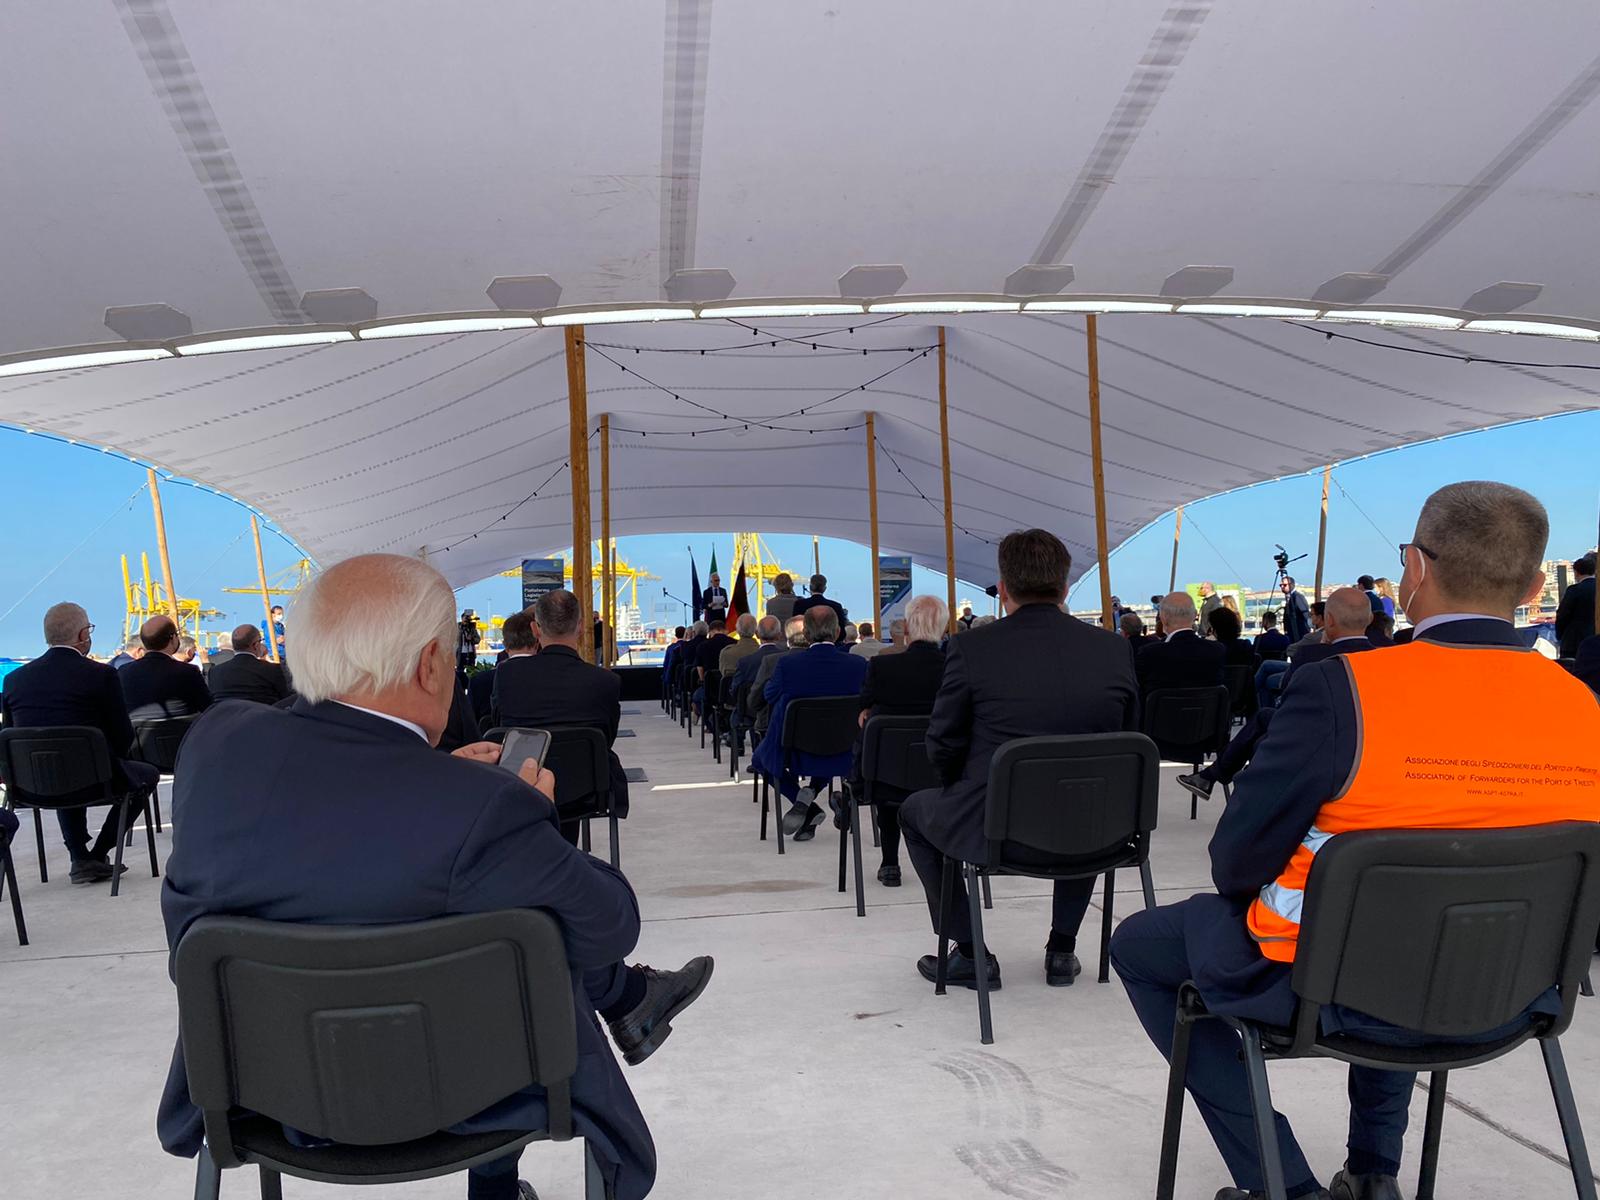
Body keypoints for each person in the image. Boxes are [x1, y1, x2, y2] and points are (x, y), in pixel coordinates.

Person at [155, 555, 714, 1200]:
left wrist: (434, 771)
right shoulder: (484, 810)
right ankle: (620, 1013)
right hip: (467, 1097)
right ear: (430, 665)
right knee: (527, 932)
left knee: (476, 907)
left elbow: (337, 811)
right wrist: (523, 811)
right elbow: (610, 924)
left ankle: (628, 1003)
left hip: (253, 1093)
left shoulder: (215, 743)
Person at [1112, 481, 1600, 1200]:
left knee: (1140, 945)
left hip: (1330, 990)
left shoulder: (1344, 689)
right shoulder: (1584, 706)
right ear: (1533, 588)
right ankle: (1373, 1175)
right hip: (1511, 990)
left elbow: (1236, 862)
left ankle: (1284, 1182)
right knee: (1401, 928)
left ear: (1415, 568)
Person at [900, 529, 1139, 990]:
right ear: (1065, 588)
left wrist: (955, 788)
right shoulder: (1114, 649)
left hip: (998, 830)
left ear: (1003, 588)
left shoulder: (971, 648)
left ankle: (970, 953)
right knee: (1087, 790)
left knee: (913, 813)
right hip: (1098, 828)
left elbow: (943, 741)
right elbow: (1128, 742)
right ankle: (1062, 950)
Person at [0, 603, 159, 884]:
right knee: (144, 775)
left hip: (30, 787)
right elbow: (123, 737)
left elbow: (9, 736)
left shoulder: (14, 681)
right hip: (95, 781)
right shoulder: (101, 675)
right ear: (83, 634)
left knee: (59, 764)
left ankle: (79, 856)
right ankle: (97, 854)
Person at [1179, 588, 1377, 804]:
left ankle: (1212, 776)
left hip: (1312, 733)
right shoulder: (1384, 654)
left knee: (1264, 719)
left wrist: (1322, 645)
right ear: (1370, 619)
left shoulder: (1311, 655)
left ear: (1328, 620)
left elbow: (1287, 692)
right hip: (1366, 732)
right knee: (1263, 720)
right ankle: (1211, 776)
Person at [493, 590, 631, 841]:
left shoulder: (507, 676)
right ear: (580, 627)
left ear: (535, 629)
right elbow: (606, 739)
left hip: (524, 784)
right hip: (588, 789)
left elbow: (500, 729)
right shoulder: (606, 681)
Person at [849, 595, 948, 886]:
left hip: (887, 776)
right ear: (943, 630)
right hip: (942, 774)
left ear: (905, 628)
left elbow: (864, 706)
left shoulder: (882, 667)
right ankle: (943, 860)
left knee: (886, 770)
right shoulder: (955, 669)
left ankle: (890, 863)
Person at [753, 606, 868, 841]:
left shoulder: (788, 666)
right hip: (846, 753)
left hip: (795, 752)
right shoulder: (858, 665)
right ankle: (812, 797)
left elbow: (769, 695)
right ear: (838, 632)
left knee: (760, 760)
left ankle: (805, 802)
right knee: (830, 740)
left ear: (805, 634)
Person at [119, 616, 214, 720]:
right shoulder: (188, 672)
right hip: (183, 730)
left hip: (137, 729)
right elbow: (208, 707)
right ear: (172, 638)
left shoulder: (124, 671)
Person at [1135, 592, 1226, 696]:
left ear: (1163, 617)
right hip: (1207, 707)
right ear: (1195, 615)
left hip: (1164, 706)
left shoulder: (1149, 653)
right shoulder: (1216, 650)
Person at [729, 616, 787, 746]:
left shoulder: (745, 662)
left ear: (757, 634)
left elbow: (735, 690)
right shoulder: (787, 659)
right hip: (782, 713)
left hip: (751, 713)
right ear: (779, 635)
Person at [745, 615, 804, 738]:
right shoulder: (829, 662)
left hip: (777, 730)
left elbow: (754, 701)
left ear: (786, 635)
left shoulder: (773, 662)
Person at [206, 624, 292, 706]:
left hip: (225, 715)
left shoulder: (214, 672)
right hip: (262, 715)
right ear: (255, 645)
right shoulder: (272, 670)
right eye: (260, 641)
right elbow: (286, 698)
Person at [1555, 551, 1596, 658]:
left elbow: (1563, 615)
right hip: (1595, 640)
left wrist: (1560, 635)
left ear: (1576, 572)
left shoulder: (1574, 590)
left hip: (1574, 643)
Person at [718, 612, 761, 677]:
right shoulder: (764, 654)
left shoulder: (726, 653)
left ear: (737, 630)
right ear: (756, 631)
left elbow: (725, 678)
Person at [1278, 575, 1311, 645]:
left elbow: (1306, 616)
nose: (1282, 587)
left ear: (1292, 585)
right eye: (1280, 585)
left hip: (1299, 635)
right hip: (1292, 635)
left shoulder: (1297, 597)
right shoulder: (1289, 598)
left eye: (1284, 585)